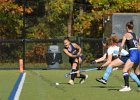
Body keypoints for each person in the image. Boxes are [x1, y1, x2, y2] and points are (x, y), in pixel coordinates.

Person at [118, 21, 140, 92]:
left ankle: (127, 86)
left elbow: (121, 45)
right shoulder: (134, 35)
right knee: (137, 71)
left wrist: (119, 52)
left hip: (133, 53)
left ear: (127, 27)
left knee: (125, 69)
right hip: (138, 53)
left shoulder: (126, 34)